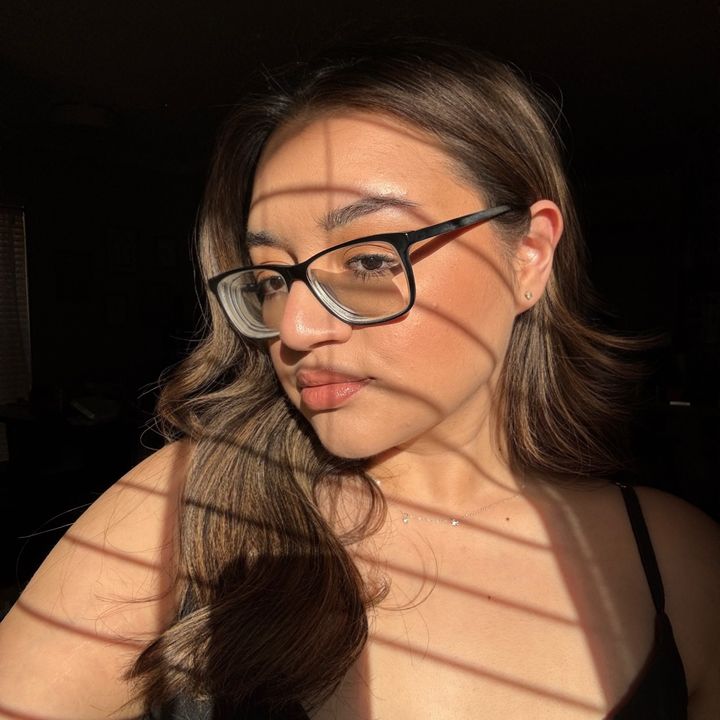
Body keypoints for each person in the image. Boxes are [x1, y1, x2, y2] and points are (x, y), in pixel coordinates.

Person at [0, 37, 718, 720]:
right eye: (273, 278)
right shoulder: (189, 508)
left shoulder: (677, 565)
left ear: (528, 254)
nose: (294, 329)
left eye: (370, 260)